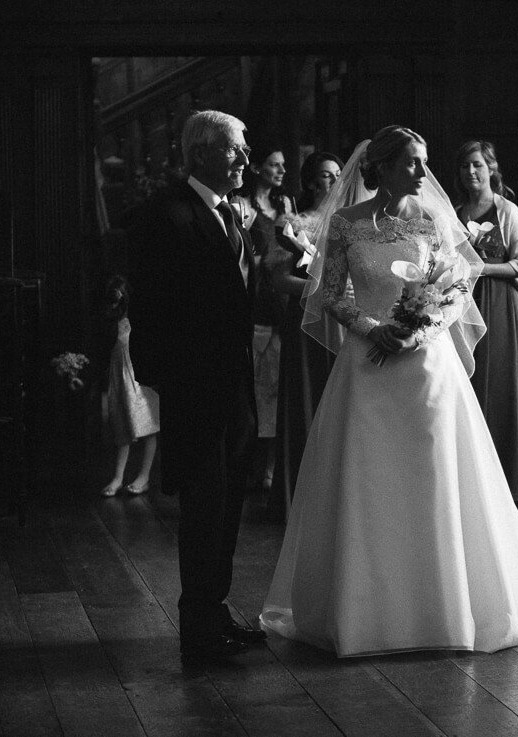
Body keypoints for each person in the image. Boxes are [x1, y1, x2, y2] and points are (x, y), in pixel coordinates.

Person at [259, 125, 518, 657]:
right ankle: (366, 608)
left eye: (424, 161)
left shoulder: (435, 219)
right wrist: (374, 328)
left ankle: (448, 606)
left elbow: (459, 284)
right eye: (413, 163)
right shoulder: (348, 225)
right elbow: (328, 294)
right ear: (385, 168)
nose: (424, 172)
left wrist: (421, 328)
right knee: (369, 479)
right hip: (367, 370)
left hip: (429, 368)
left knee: (437, 474)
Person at [126, 109, 266, 662]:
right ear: (203, 152)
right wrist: (177, 385)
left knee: (228, 506)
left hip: (235, 390)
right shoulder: (164, 216)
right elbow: (151, 310)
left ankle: (216, 613)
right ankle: (198, 630)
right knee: (203, 511)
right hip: (197, 394)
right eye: (236, 149)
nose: (246, 159)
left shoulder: (231, 214)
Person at [453, 140, 518, 502]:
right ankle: (471, 485)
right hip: (458, 307)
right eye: (465, 166)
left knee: (499, 384)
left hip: (499, 306)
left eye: (477, 166)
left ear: (491, 169)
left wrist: (481, 267)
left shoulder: (507, 212)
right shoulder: (455, 212)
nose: (471, 172)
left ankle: (504, 484)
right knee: (466, 385)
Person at [265, 151, 344, 519]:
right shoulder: (295, 222)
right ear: (312, 181)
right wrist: (320, 292)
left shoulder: (350, 221)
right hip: (306, 324)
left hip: (343, 323)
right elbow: (279, 279)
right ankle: (296, 496)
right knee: (305, 399)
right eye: (326, 176)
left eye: (338, 174)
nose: (333, 181)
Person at [231, 145, 294, 493]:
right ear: (257, 168)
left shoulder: (285, 205)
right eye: (274, 164)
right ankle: (247, 462)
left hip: (279, 298)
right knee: (252, 382)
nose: (281, 171)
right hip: (253, 297)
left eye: (283, 165)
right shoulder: (241, 205)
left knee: (272, 384)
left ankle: (268, 465)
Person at [97, 275, 159, 497]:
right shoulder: (111, 323)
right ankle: (118, 477)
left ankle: (144, 477)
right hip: (120, 378)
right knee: (122, 427)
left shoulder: (136, 319)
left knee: (148, 425)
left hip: (139, 378)